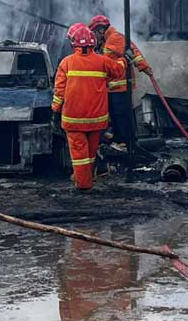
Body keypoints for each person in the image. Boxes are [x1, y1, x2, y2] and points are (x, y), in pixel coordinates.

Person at [52, 23, 126, 191]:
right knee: (91, 152)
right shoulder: (102, 61)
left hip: (73, 119)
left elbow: (59, 91)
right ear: (93, 43)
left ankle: (83, 184)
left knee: (79, 155)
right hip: (96, 120)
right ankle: (87, 176)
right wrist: (123, 59)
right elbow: (117, 70)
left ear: (74, 44)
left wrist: (55, 110)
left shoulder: (66, 63)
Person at [89, 14, 153, 152]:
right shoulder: (108, 40)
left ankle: (126, 142)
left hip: (120, 86)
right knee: (116, 114)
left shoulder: (115, 38)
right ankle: (119, 139)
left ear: (101, 30)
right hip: (113, 87)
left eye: (94, 33)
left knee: (121, 114)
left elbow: (134, 52)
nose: (95, 37)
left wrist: (144, 67)